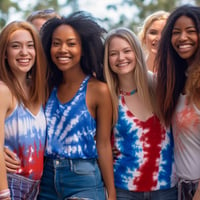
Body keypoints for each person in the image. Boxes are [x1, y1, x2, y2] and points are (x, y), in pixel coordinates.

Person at [36, 11, 116, 200]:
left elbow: (103, 144)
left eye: (71, 43)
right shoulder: (46, 88)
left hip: (83, 179)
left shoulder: (99, 90)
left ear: (83, 48)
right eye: (56, 43)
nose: (63, 49)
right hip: (46, 180)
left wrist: (111, 192)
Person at [103, 27, 177, 200]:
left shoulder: (161, 86)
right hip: (124, 189)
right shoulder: (107, 96)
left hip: (166, 188)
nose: (121, 58)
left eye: (127, 51)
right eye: (113, 53)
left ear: (136, 52)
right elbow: (100, 142)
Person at [155, 4, 200, 200]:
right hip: (181, 187)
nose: (182, 38)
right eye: (176, 32)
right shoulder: (177, 81)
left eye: (191, 31)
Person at [0, 21, 47, 199]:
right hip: (9, 185)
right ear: (4, 53)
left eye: (30, 46)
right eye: (15, 46)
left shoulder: (38, 89)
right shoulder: (3, 91)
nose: (24, 52)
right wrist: (4, 195)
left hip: (36, 188)